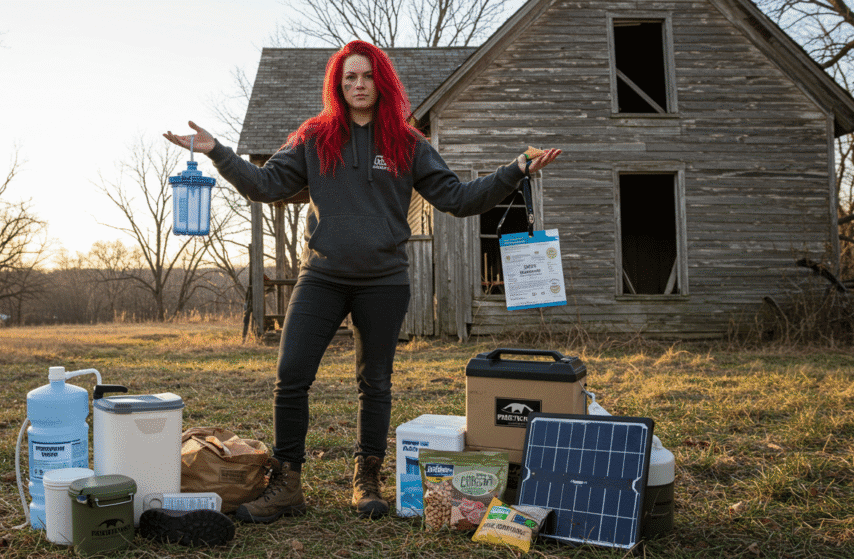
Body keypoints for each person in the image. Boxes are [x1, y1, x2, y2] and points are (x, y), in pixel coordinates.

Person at [164, 40, 560, 524]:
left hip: (384, 282)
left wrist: (514, 170)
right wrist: (218, 152)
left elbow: (458, 198)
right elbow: (265, 185)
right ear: (338, 84)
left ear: (382, 82)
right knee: (291, 375)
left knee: (374, 383)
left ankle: (367, 478)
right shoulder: (315, 137)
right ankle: (287, 484)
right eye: (349, 77)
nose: (358, 85)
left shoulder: (407, 143)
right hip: (322, 276)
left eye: (367, 76)